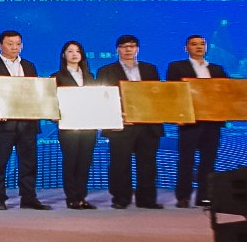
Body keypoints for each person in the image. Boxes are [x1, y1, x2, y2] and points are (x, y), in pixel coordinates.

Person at [0, 29, 51, 210]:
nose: (14, 47)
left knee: (28, 163)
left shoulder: (29, 66)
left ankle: (28, 198)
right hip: (2, 123)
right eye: (10, 44)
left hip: (27, 122)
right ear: (0, 45)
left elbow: (34, 92)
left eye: (18, 44)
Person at [97, 34, 164, 209]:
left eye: (132, 46)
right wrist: (116, 117)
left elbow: (157, 95)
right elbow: (103, 98)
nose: (128, 49)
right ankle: (121, 198)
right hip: (122, 125)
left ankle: (147, 199)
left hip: (147, 125)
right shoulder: (106, 70)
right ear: (117, 49)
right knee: (120, 164)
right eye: (124, 46)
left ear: (137, 49)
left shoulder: (150, 69)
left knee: (148, 164)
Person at [165, 34, 230, 208]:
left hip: (212, 121)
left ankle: (205, 196)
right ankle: (183, 196)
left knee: (208, 161)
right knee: (186, 160)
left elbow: (231, 90)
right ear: (186, 48)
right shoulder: (177, 67)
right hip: (190, 121)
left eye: (202, 44)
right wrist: (176, 116)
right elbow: (172, 92)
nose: (199, 47)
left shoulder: (216, 69)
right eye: (194, 44)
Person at [54, 40, 99, 210]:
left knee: (85, 161)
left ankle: (81, 197)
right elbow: (52, 102)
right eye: (70, 51)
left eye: (78, 51)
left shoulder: (90, 76)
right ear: (63, 55)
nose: (74, 54)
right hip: (68, 126)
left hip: (89, 125)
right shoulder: (56, 77)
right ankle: (72, 197)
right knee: (71, 160)